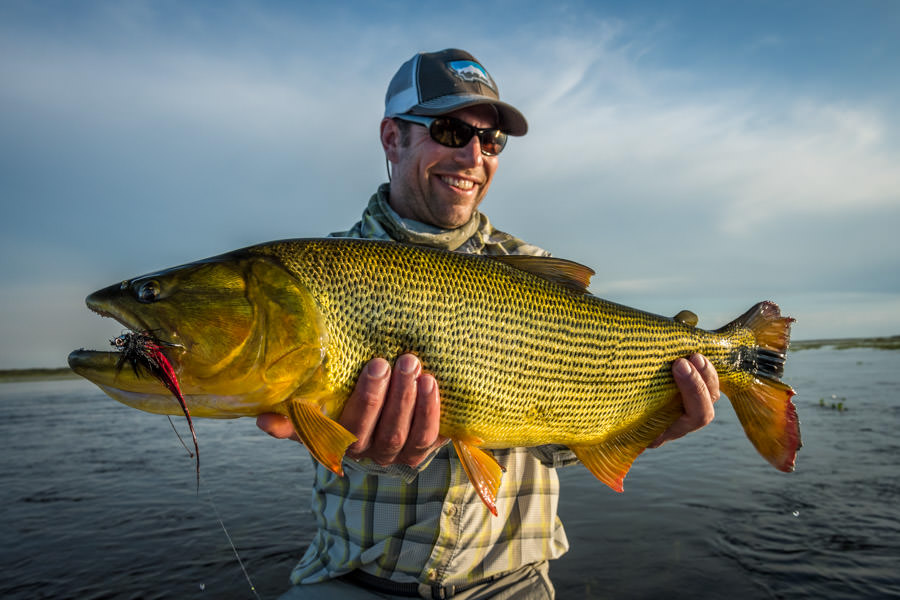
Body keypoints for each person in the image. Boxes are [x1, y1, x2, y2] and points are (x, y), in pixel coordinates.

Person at [257, 49, 720, 600]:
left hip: (512, 584)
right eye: (451, 130)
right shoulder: (319, 273)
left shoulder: (535, 271)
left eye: (492, 139)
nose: (474, 154)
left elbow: (557, 438)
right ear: (391, 138)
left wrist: (645, 426)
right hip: (352, 580)